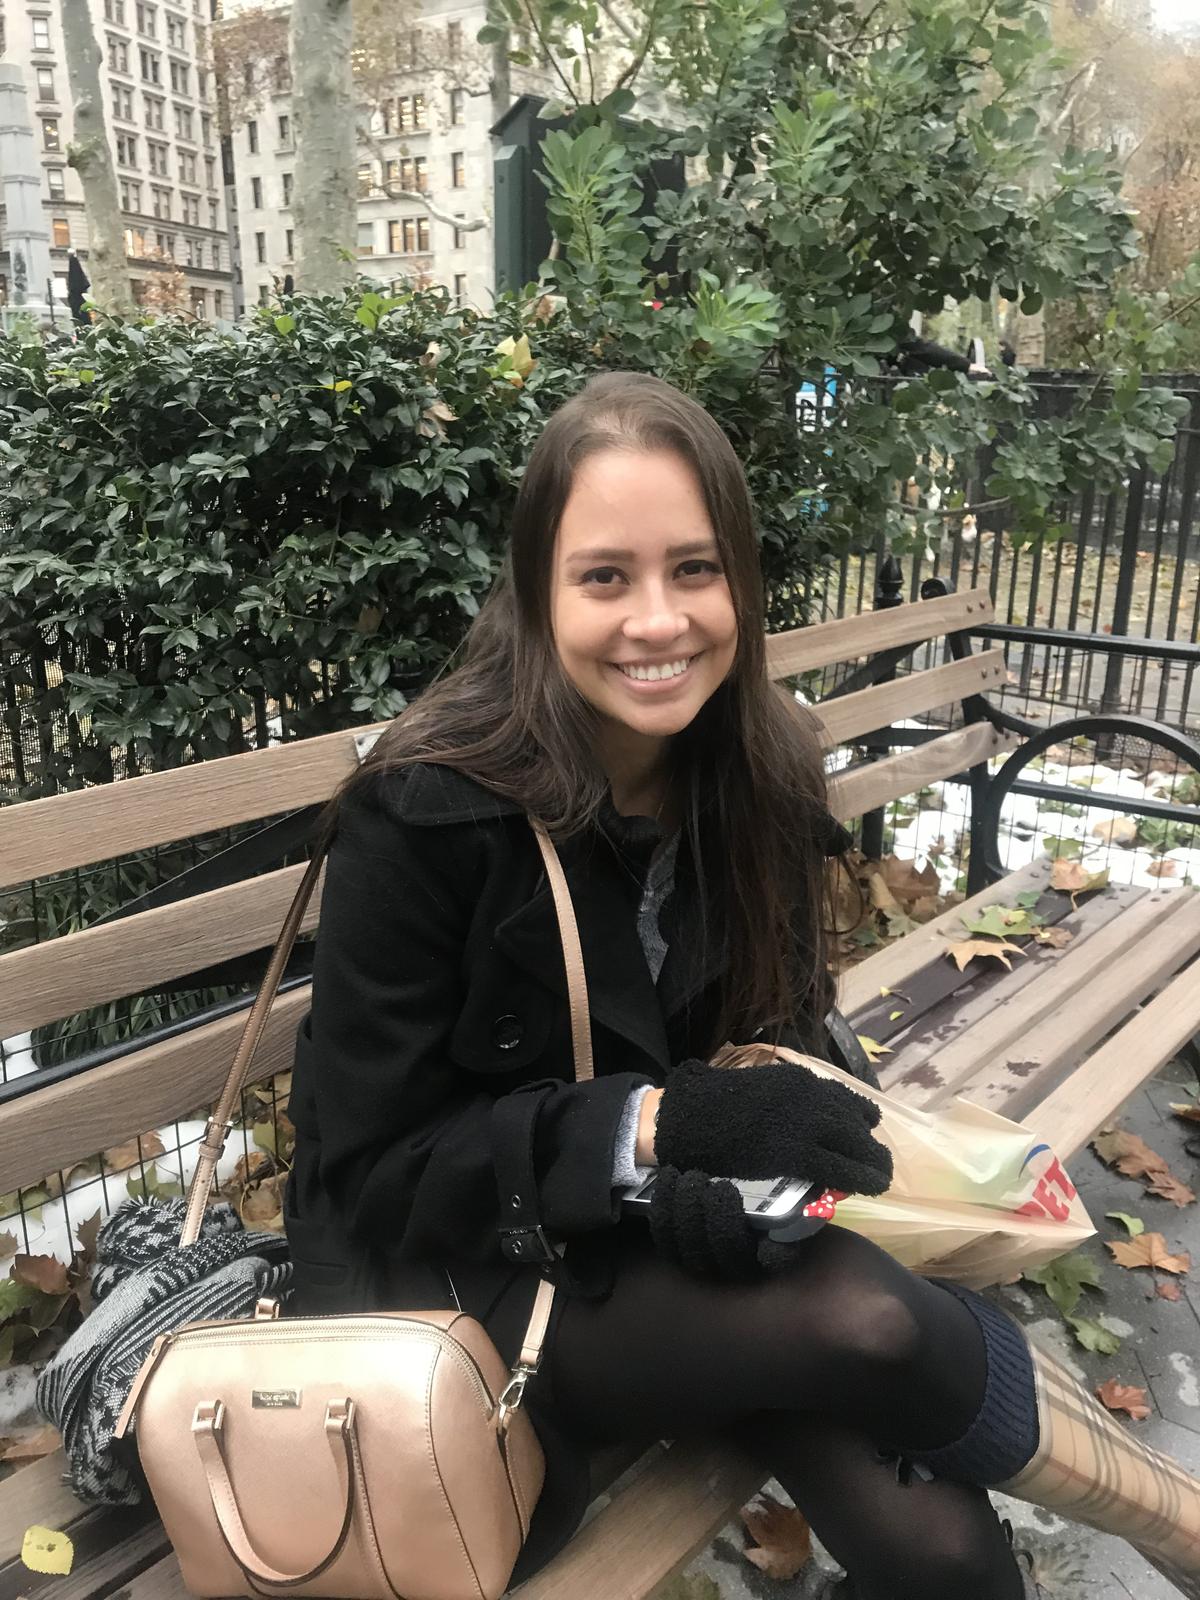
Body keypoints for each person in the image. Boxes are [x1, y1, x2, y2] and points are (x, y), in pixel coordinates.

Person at [286, 372, 1200, 1600]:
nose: (658, 620)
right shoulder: (425, 810)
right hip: (470, 1283)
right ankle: (1177, 1519)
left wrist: (735, 1158)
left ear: (742, 585)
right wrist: (648, 1131)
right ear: (537, 590)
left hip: (671, 1243)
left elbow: (770, 1025)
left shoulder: (756, 761)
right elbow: (373, 1173)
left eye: (695, 569)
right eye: (604, 577)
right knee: (867, 1318)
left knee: (936, 1541)